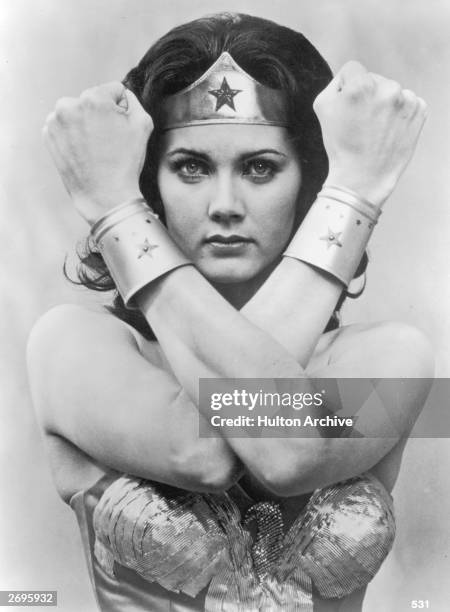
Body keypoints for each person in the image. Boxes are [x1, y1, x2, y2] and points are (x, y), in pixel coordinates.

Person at [27, 12, 433, 612]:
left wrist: (115, 213)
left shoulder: (399, 357)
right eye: (190, 166)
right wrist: (118, 207)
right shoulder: (68, 345)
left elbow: (284, 450)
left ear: (310, 186)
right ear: (150, 186)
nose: (224, 205)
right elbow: (209, 452)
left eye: (260, 168)